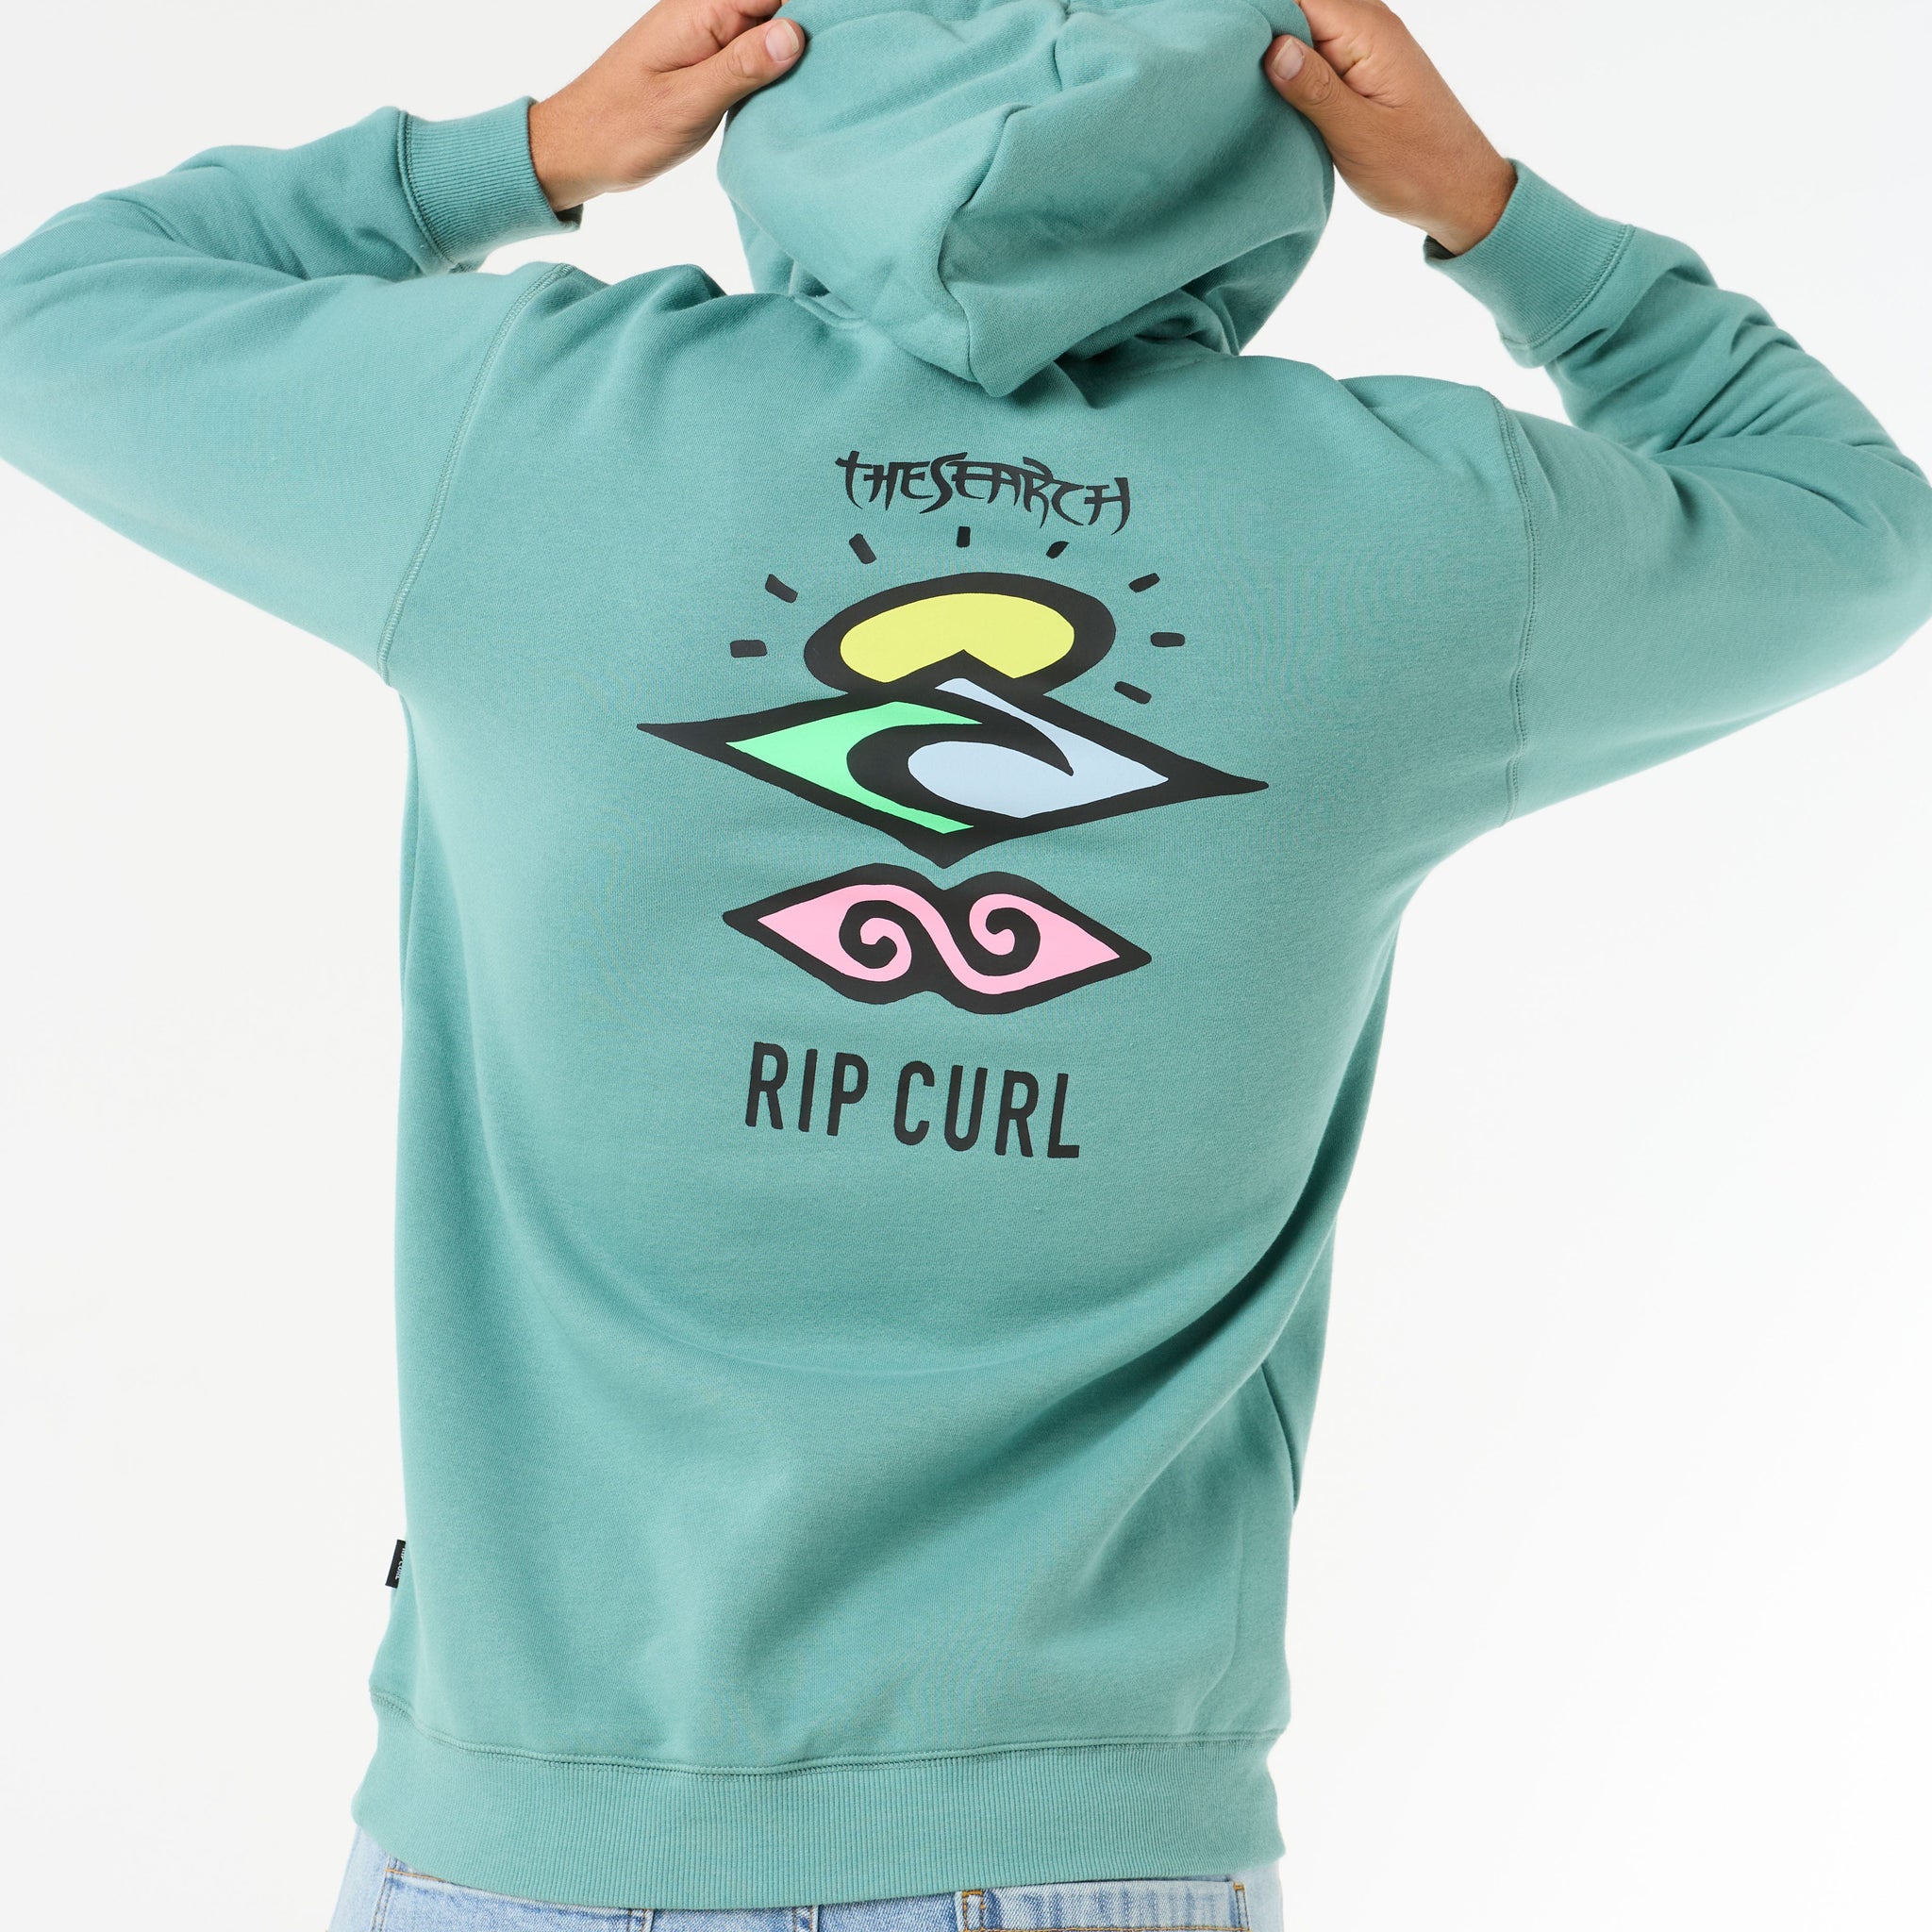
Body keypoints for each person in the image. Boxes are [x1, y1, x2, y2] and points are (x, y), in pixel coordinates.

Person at [1, 0, 1926, 1924]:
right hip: (1076, 1830)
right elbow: (1855, 523)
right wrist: (1494, 214)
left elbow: (51, 314)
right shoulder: (1421, 534)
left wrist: (525, 154)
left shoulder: (533, 428)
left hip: (528, 1831)